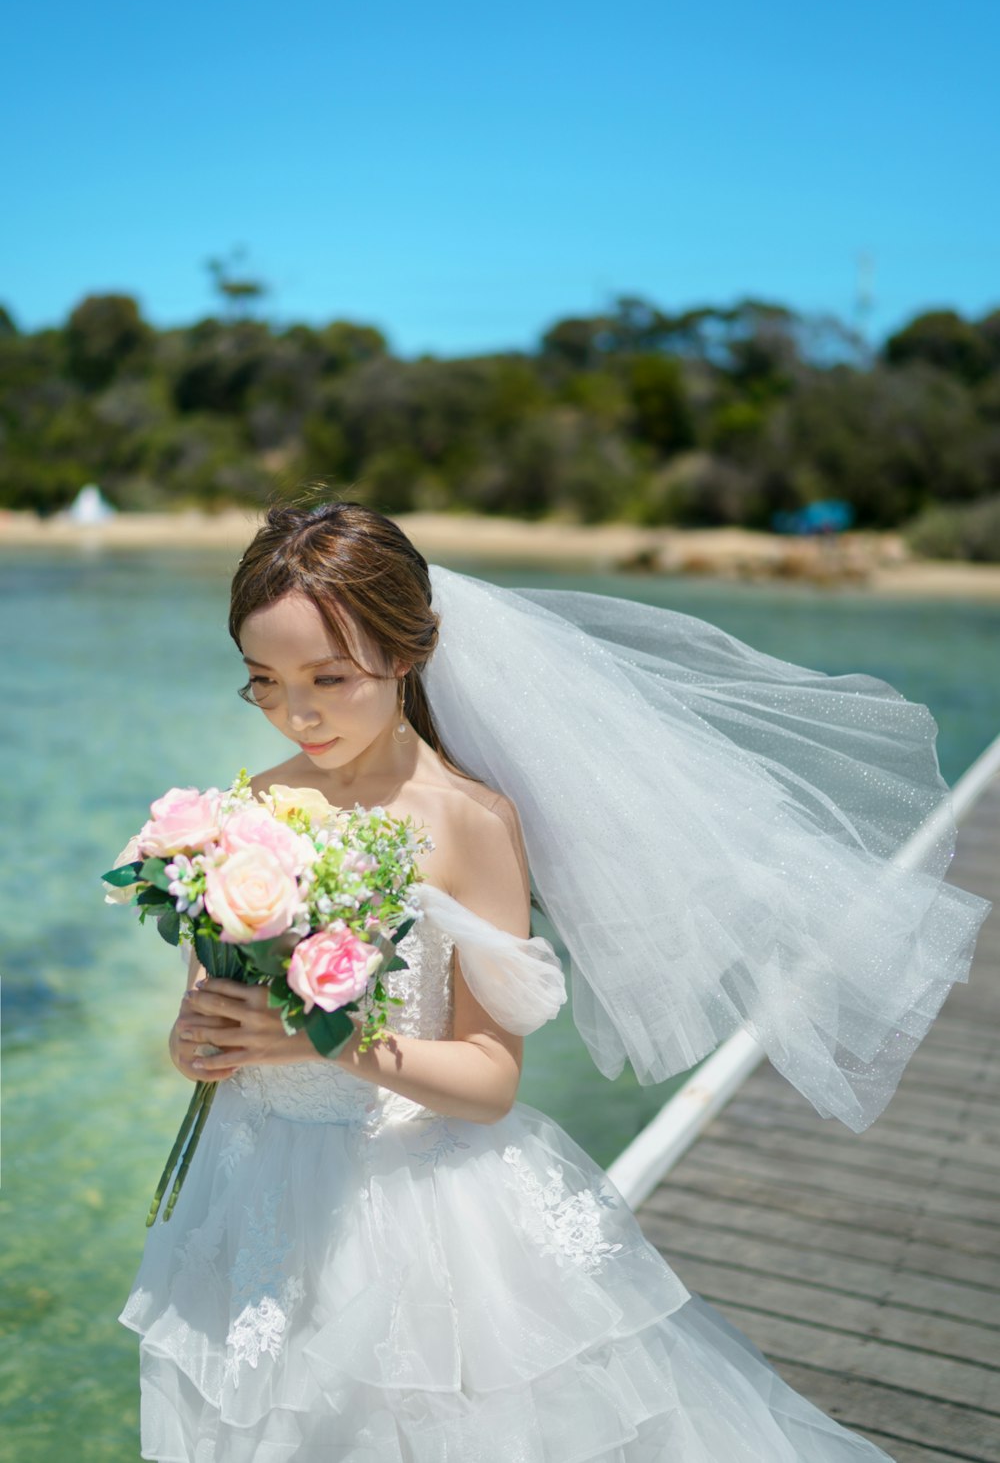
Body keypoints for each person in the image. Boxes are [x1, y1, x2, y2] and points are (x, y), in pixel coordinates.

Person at [118, 498, 991, 1461]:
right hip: (249, 1198)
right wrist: (196, 1043)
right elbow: (201, 1028)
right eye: (264, 682)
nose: (299, 711)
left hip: (413, 1219)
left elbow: (491, 1081)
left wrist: (328, 1039)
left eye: (330, 677)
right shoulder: (242, 814)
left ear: (408, 654)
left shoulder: (468, 822)